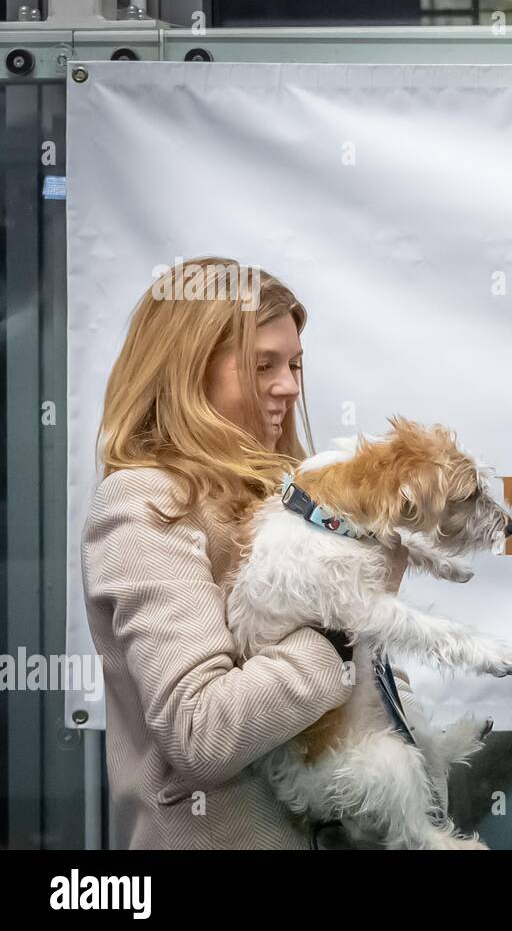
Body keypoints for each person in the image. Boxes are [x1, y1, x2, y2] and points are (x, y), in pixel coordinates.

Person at [81, 256, 412, 848]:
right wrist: (343, 620)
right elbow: (200, 732)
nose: (290, 385)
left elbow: (358, 692)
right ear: (187, 373)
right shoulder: (143, 502)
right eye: (264, 366)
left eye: (294, 364)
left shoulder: (290, 496)